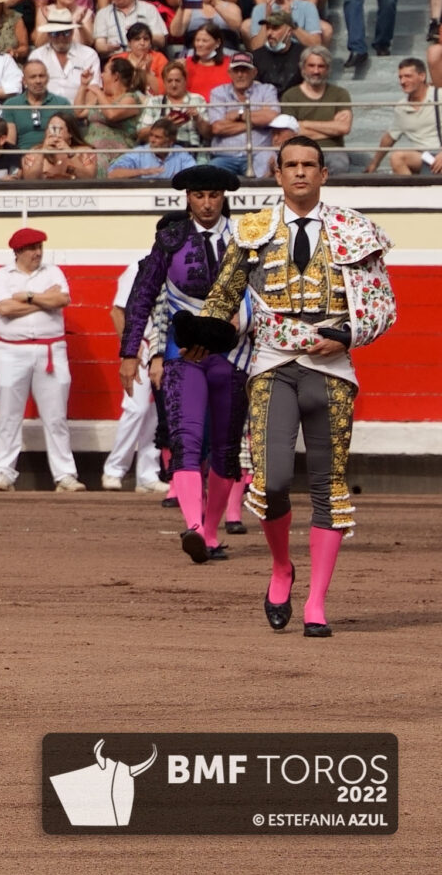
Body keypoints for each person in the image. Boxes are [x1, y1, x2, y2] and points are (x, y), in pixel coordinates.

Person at [199, 138, 398, 636]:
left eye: (310, 165)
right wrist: (202, 336)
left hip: (332, 370)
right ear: (278, 173)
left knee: (329, 485)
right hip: (272, 364)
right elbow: (224, 292)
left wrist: (349, 333)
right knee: (271, 481)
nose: (301, 173)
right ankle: (282, 567)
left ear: (324, 174)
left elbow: (383, 306)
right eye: (292, 165)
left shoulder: (354, 229)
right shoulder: (253, 230)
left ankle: (317, 602)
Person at [117, 162, 245, 557]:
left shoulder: (246, 238)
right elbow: (142, 294)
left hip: (234, 350)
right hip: (181, 352)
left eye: (213, 196)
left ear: (224, 197)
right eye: (198, 196)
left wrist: (245, 321)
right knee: (186, 439)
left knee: (225, 448)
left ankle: (209, 532)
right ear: (187, 198)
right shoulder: (171, 239)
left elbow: (263, 290)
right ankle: (193, 525)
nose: (207, 204)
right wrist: (129, 352)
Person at [0, 227, 79, 492]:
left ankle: (65, 475)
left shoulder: (53, 272)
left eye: (40, 247)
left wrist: (26, 297)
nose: (38, 253)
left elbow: (62, 299)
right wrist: (43, 300)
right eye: (32, 248)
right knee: (8, 415)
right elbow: (4, 308)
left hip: (50, 350)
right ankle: (3, 472)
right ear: (18, 252)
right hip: (10, 351)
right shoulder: (2, 275)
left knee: (56, 416)